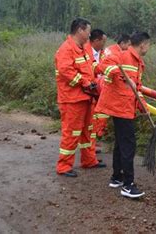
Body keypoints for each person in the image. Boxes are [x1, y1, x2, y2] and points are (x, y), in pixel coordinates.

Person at [94, 31, 150, 199]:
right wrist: (119, 74)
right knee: (128, 145)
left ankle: (117, 177)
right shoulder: (122, 56)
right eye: (149, 45)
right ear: (143, 45)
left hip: (126, 106)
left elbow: (136, 88)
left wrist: (143, 106)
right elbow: (101, 67)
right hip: (120, 107)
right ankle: (128, 185)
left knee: (120, 143)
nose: (148, 48)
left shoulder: (138, 62)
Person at [54, 17, 106, 178]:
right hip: (72, 99)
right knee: (71, 132)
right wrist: (85, 83)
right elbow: (66, 71)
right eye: (88, 32)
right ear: (80, 30)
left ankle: (89, 160)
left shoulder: (82, 48)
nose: (89, 35)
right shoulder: (66, 49)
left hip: (85, 98)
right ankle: (63, 166)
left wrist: (107, 69)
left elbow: (90, 67)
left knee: (87, 132)